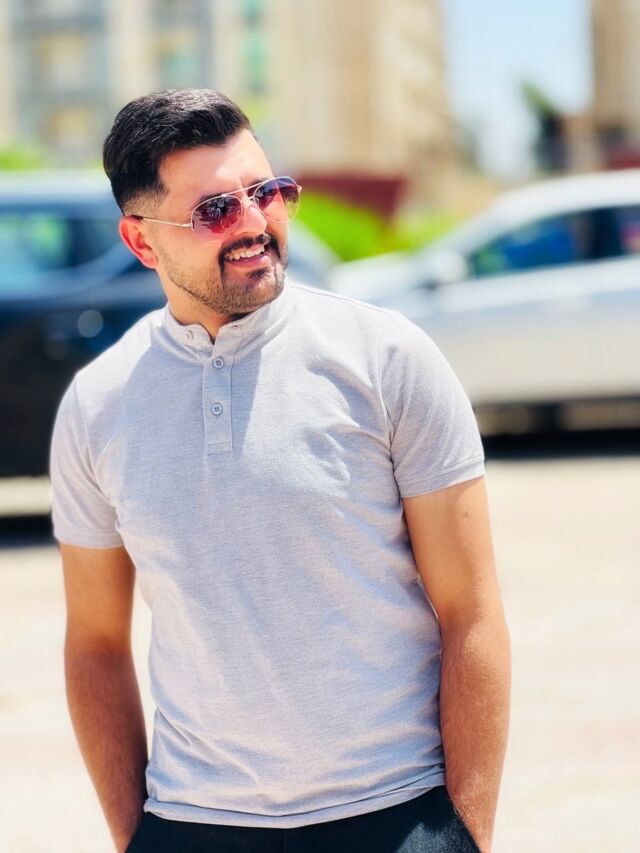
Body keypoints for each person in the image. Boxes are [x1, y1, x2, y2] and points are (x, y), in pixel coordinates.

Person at [49, 89, 511, 853]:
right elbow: (95, 641)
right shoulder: (98, 405)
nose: (253, 222)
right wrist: (138, 838)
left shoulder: (387, 359)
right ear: (141, 241)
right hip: (193, 824)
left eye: (264, 191)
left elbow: (472, 609)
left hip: (395, 814)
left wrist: (464, 835)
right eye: (214, 209)